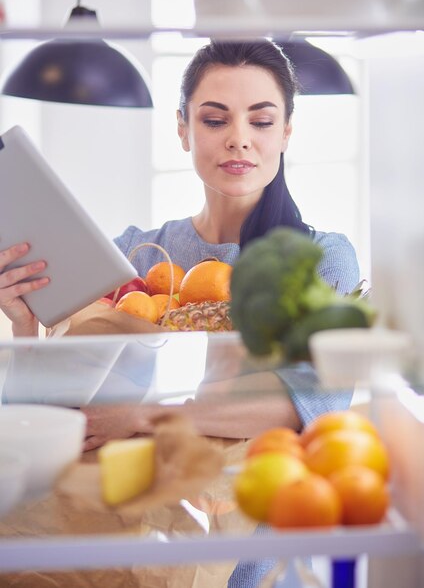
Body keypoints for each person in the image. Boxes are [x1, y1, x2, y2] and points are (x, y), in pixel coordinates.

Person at [0, 39, 360, 588]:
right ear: (183, 128)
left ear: (287, 131)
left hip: (251, 563)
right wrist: (26, 325)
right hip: (119, 546)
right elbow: (58, 409)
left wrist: (145, 417)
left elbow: (309, 399)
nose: (239, 137)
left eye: (261, 121)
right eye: (215, 119)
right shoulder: (133, 254)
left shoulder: (319, 259)